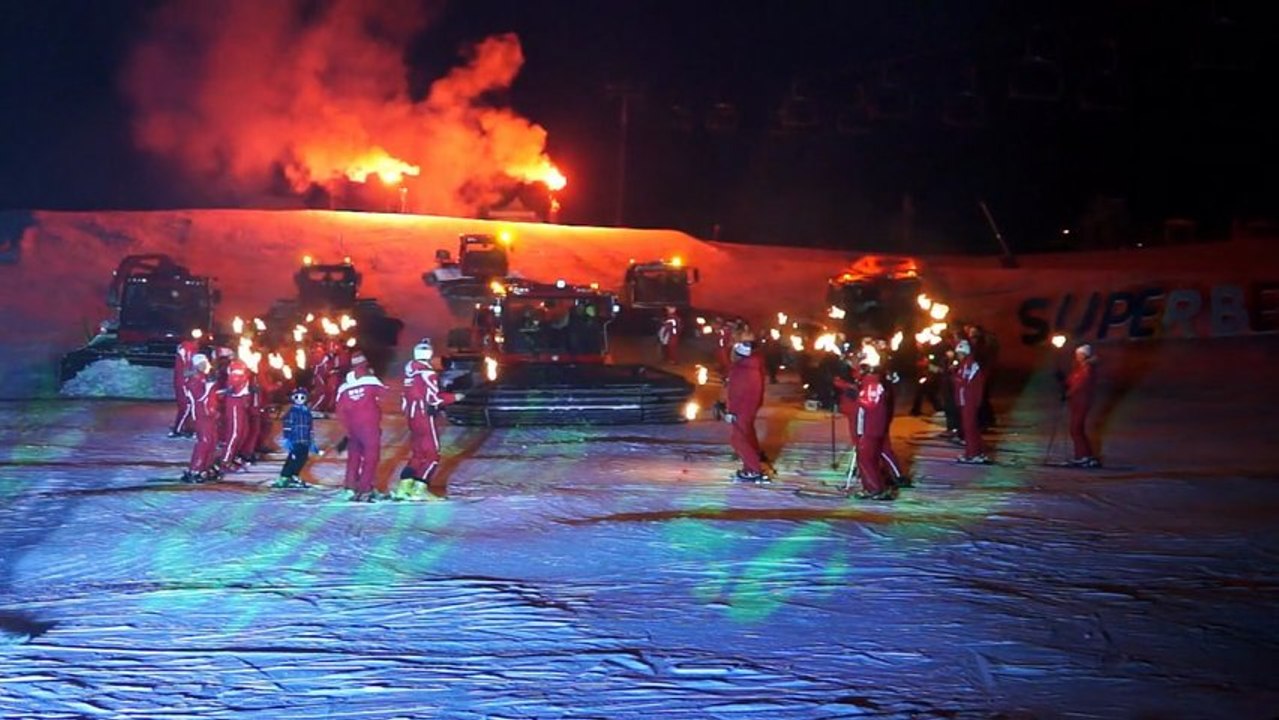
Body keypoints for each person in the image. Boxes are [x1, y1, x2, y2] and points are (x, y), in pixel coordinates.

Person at [394, 338, 465, 500]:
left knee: (418, 453)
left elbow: (405, 398)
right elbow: (433, 398)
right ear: (429, 354)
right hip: (425, 416)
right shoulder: (428, 373)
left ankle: (404, 487)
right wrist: (454, 397)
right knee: (433, 454)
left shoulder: (409, 373)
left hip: (412, 417)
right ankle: (420, 488)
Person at [334, 351, 387, 502]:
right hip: (369, 426)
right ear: (364, 364)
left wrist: (347, 429)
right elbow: (385, 396)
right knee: (371, 458)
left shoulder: (344, 387)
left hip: (352, 428)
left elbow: (340, 410)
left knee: (354, 457)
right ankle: (365, 488)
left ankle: (350, 487)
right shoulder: (371, 380)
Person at [854, 348, 895, 500]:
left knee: (865, 458)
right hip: (872, 427)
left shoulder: (872, 385)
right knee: (868, 458)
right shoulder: (873, 384)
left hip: (870, 428)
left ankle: (875, 488)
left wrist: (858, 398)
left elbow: (869, 405)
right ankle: (870, 487)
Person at [725, 334, 766, 481]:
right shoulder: (753, 367)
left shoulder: (741, 370)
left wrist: (731, 410)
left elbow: (736, 392)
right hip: (749, 407)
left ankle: (754, 469)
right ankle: (751, 465)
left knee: (739, 439)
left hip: (741, 409)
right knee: (747, 435)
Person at [181, 354, 219, 483]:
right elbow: (200, 398)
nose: (206, 365)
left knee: (211, 442)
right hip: (201, 415)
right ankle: (195, 469)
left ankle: (205, 468)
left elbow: (210, 397)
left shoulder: (202, 377)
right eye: (203, 363)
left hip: (209, 414)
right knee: (204, 442)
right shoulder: (194, 379)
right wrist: (210, 386)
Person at [954, 339, 991, 464]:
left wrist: (956, 379)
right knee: (970, 427)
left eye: (959, 353)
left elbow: (967, 383)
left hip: (969, 401)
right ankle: (976, 452)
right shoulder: (964, 365)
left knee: (969, 427)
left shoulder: (970, 365)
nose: (957, 356)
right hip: (965, 401)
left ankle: (973, 454)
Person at [1065, 343, 1101, 467]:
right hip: (1076, 401)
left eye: (1079, 354)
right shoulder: (1081, 367)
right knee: (1076, 429)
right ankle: (1085, 456)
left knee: (1076, 429)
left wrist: (1069, 393)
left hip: (1082, 401)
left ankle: (1084, 456)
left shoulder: (1087, 368)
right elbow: (1071, 381)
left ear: (1084, 355)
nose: (1077, 357)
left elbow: (1081, 383)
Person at [276, 387, 317, 488]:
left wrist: (312, 441)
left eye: (302, 397)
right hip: (295, 439)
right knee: (294, 458)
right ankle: (285, 476)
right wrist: (287, 438)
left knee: (302, 459)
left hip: (305, 440)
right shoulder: (292, 412)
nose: (299, 399)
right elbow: (287, 426)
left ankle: (294, 476)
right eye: (297, 397)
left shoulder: (307, 412)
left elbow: (310, 427)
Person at [217, 359, 252, 474]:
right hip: (235, 405)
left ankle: (233, 456)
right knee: (235, 433)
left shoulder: (243, 376)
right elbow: (234, 389)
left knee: (244, 432)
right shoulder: (236, 376)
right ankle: (226, 460)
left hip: (240, 404)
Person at [168, 332, 201, 438]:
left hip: (182, 381)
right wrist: (201, 371)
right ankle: (177, 430)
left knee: (188, 406)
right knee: (187, 406)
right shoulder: (188, 349)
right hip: (184, 382)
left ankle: (187, 428)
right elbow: (186, 371)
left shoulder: (186, 347)